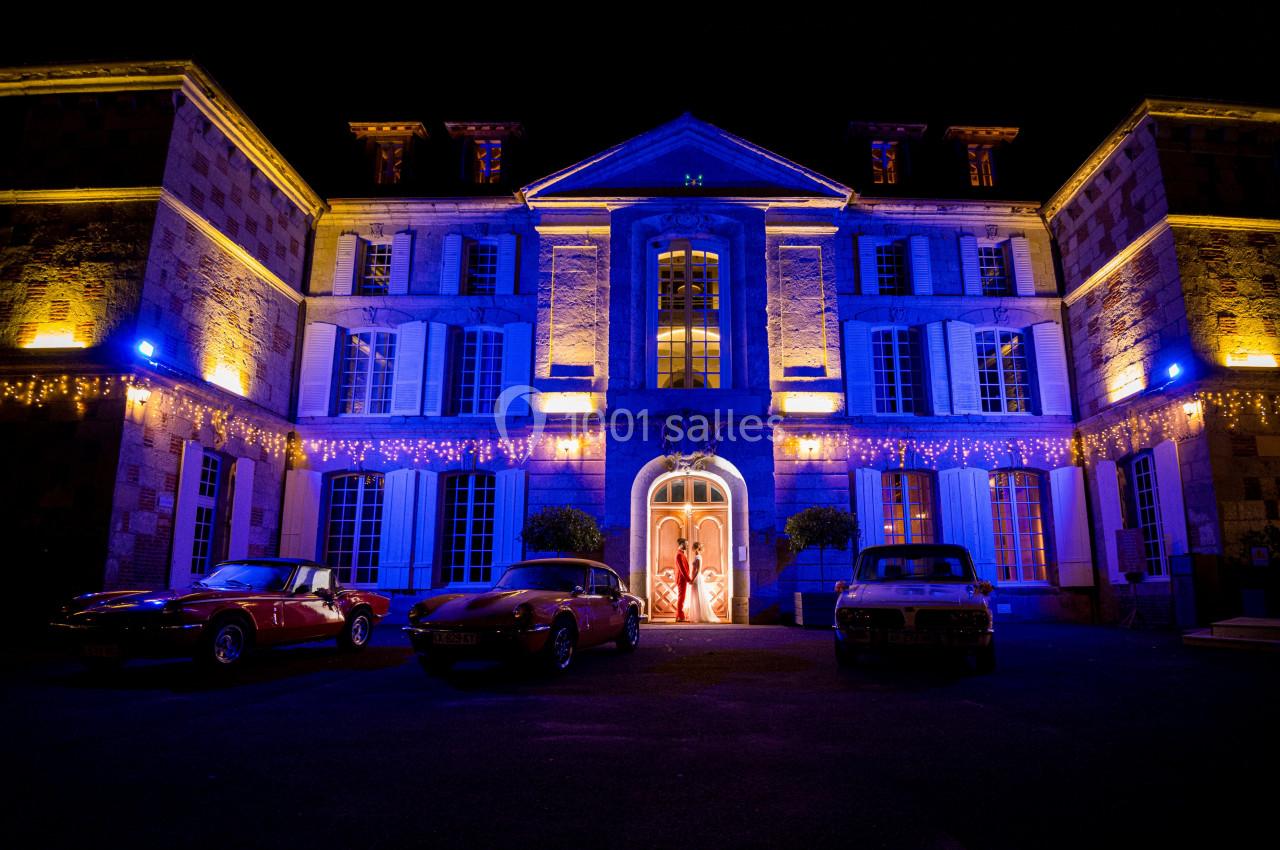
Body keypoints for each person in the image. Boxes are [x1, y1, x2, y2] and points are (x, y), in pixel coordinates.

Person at [675, 537, 692, 622]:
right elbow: (682, 569)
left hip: (683, 579)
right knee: (681, 598)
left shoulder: (681, 553)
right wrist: (689, 579)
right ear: (682, 544)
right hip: (681, 579)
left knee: (682, 597)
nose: (687, 546)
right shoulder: (679, 554)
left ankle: (678, 615)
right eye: (686, 544)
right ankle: (681, 617)